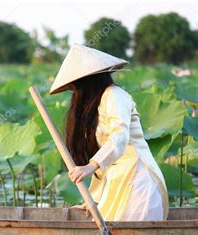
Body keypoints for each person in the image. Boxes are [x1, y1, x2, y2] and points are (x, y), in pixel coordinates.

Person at [49, 44, 169, 221]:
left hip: (138, 181)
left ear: (87, 81)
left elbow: (119, 136)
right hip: (117, 179)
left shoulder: (115, 95)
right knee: (105, 226)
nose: (75, 92)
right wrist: (93, 201)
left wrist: (91, 165)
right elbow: (107, 164)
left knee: (127, 233)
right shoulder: (96, 105)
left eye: (76, 87)